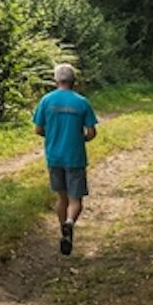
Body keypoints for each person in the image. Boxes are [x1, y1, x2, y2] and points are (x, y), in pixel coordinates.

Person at [33, 63, 98, 256]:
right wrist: (81, 139)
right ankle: (70, 223)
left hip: (54, 157)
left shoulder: (46, 100)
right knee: (75, 199)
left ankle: (64, 232)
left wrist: (52, 135)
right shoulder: (82, 102)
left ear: (56, 80)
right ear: (73, 81)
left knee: (61, 198)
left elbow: (38, 129)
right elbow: (91, 132)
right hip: (75, 157)